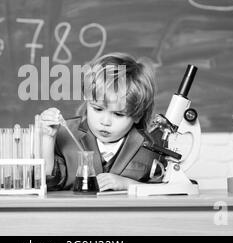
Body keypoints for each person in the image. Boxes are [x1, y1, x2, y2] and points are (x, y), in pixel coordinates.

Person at [39, 52, 166, 192]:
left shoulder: (151, 146)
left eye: (118, 114)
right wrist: (48, 138)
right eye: (98, 109)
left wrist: (127, 184)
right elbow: (48, 182)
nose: (105, 122)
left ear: (137, 115)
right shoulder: (65, 133)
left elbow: (169, 190)